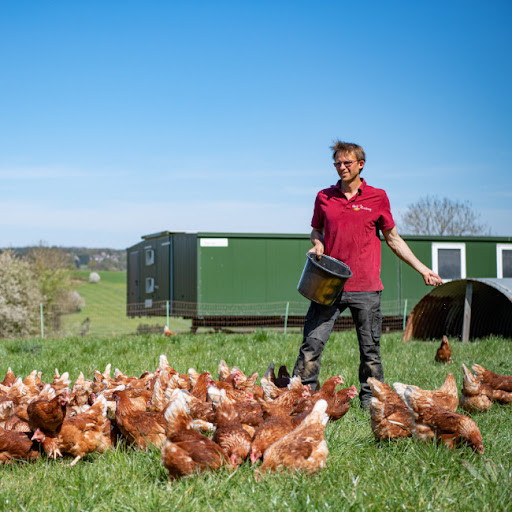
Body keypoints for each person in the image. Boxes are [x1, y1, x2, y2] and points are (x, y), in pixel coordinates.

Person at [292, 140, 442, 407]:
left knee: (370, 351)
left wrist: (423, 269)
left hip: (366, 287)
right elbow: (316, 229)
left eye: (347, 163)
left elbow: (393, 239)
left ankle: (372, 403)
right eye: (337, 163)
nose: (341, 167)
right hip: (329, 285)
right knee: (311, 345)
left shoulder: (378, 197)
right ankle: (301, 400)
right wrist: (317, 242)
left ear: (360, 165)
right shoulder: (324, 197)